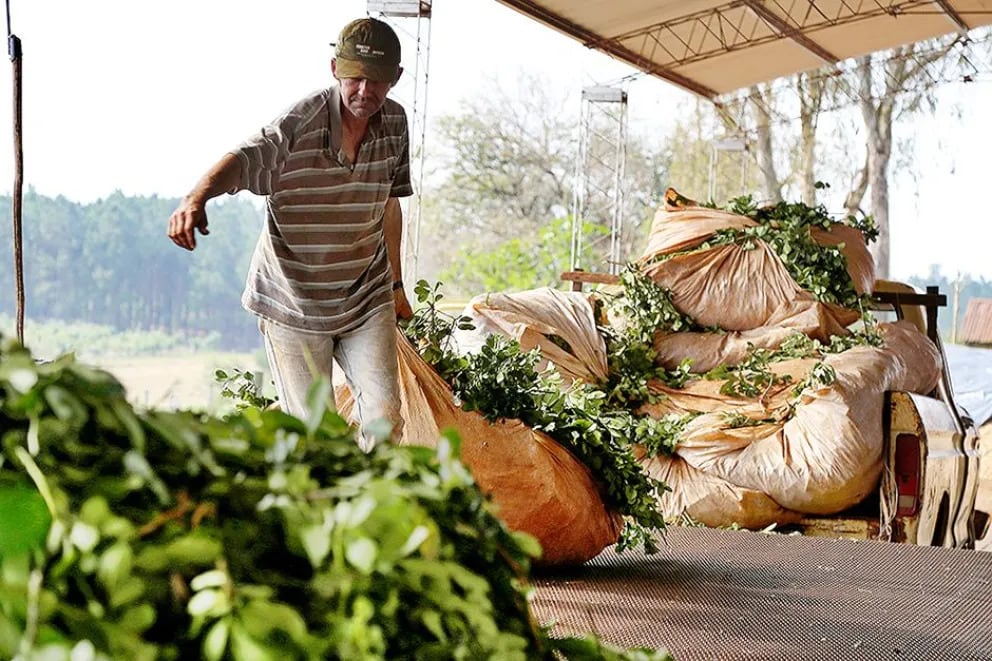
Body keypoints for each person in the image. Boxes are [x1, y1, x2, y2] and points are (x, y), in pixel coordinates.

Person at [167, 17, 412, 450]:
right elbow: (244, 158)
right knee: (317, 436)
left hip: (364, 297)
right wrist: (195, 198)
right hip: (292, 303)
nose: (364, 92)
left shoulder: (395, 124)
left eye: (376, 81)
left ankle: (373, 511)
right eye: (355, 78)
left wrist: (395, 286)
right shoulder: (301, 123)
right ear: (335, 68)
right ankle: (326, 511)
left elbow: (389, 203)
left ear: (396, 79)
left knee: (385, 419)